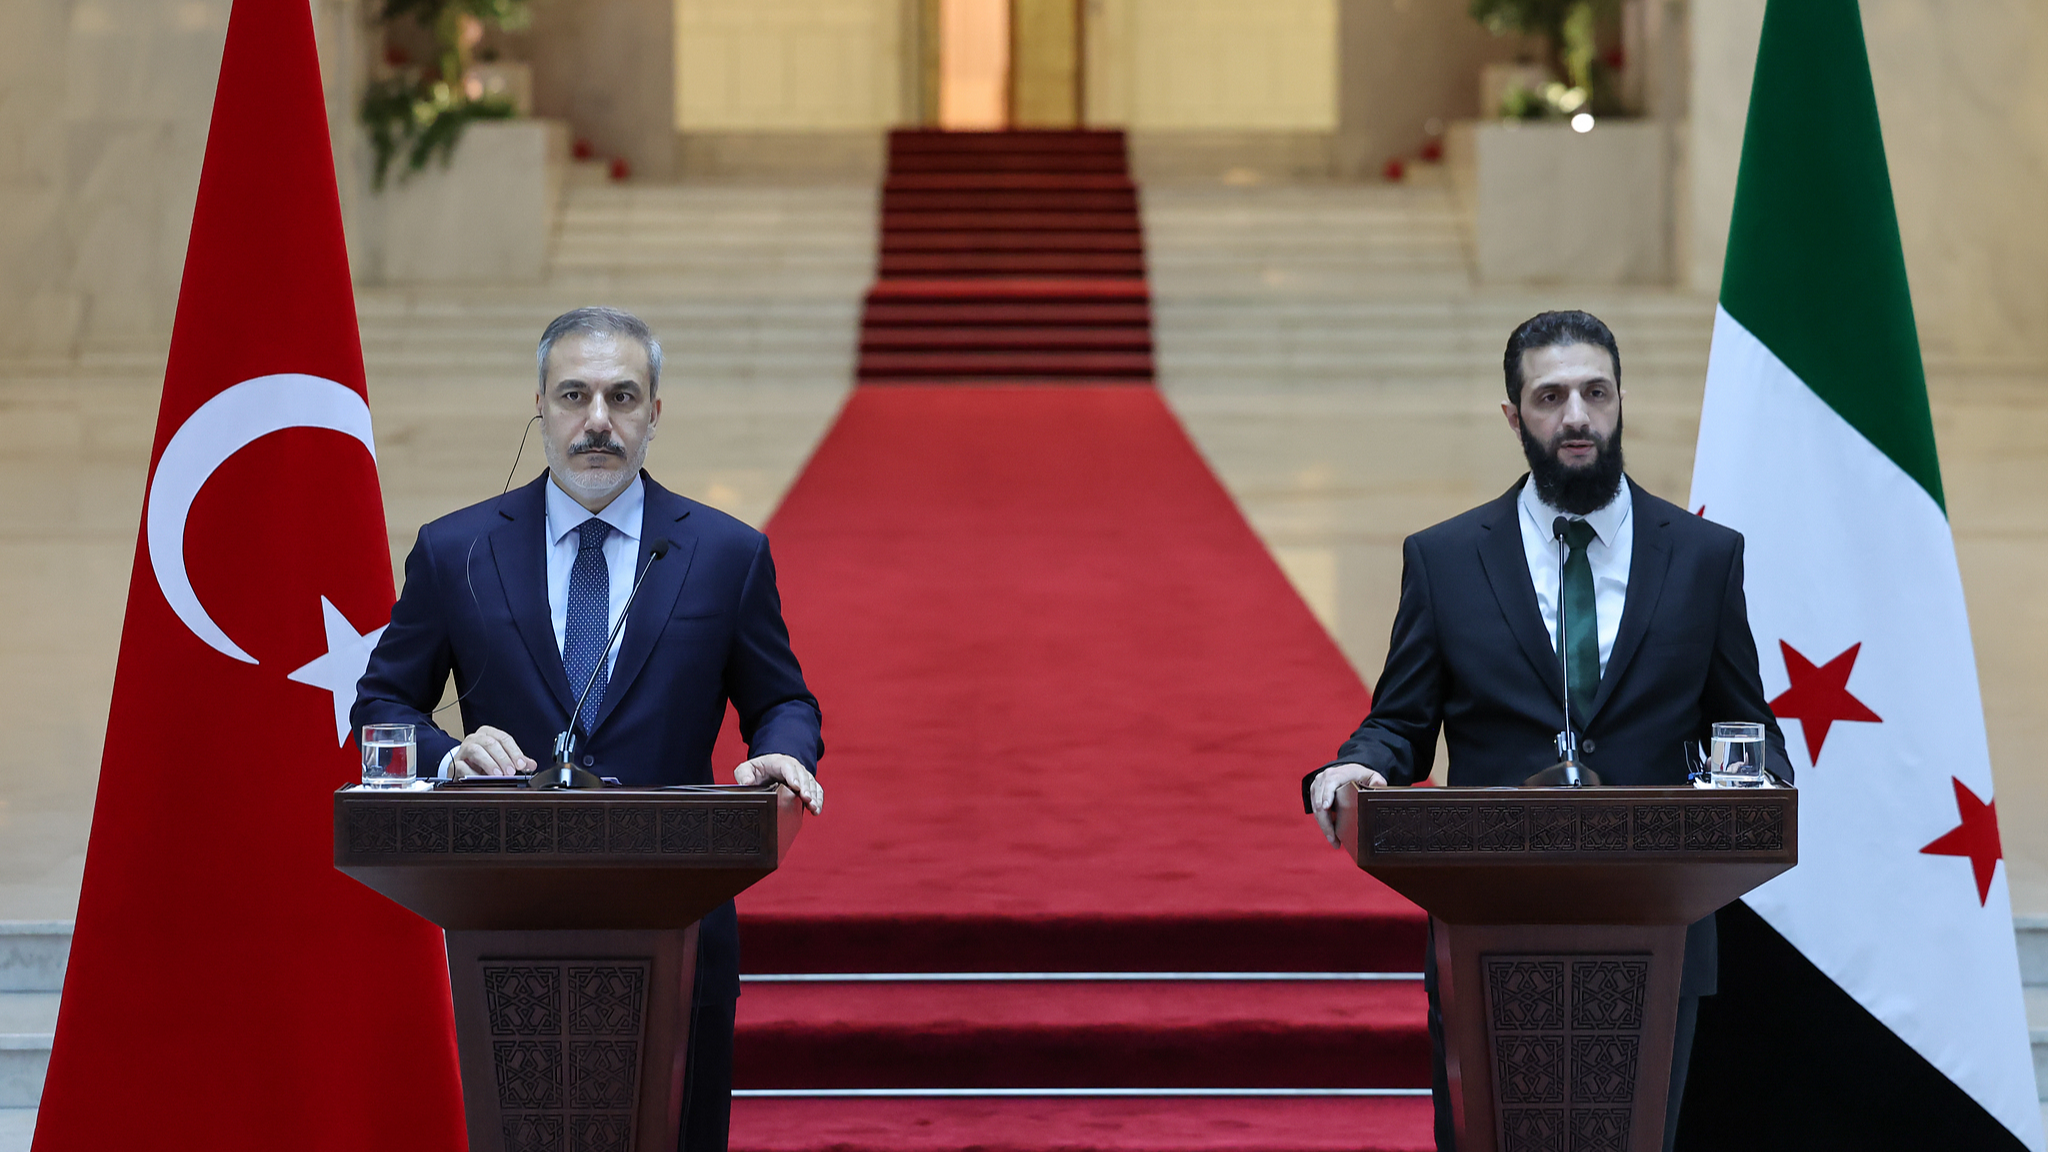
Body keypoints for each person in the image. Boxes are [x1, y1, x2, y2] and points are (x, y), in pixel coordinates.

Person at [1300, 310, 1790, 1152]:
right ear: (1512, 414)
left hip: (1657, 930)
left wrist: (1759, 784)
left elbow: (1747, 726)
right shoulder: (1447, 559)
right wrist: (1354, 769)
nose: (1576, 416)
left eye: (1595, 393)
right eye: (1550, 395)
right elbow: (1401, 723)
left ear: (1621, 401)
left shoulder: (1704, 556)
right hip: (1490, 929)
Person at [352, 306, 823, 1152]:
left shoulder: (725, 554)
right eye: (574, 395)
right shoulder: (455, 550)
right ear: (538, 404)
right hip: (502, 924)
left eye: (621, 396)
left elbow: (782, 699)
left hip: (676, 924)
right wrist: (450, 755)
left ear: (654, 412)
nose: (597, 421)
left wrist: (780, 752)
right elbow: (382, 706)